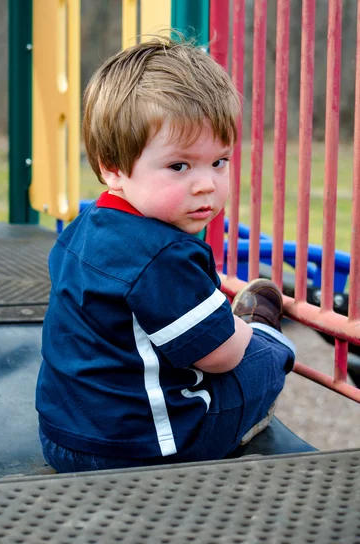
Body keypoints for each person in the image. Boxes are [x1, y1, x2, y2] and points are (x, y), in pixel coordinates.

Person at [36, 35, 296, 473]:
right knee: (263, 359)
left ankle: (213, 318)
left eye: (219, 161)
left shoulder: (84, 228)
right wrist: (244, 339)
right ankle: (254, 329)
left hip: (63, 436)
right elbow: (221, 358)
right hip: (146, 448)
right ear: (112, 167)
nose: (206, 184)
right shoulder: (165, 256)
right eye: (180, 166)